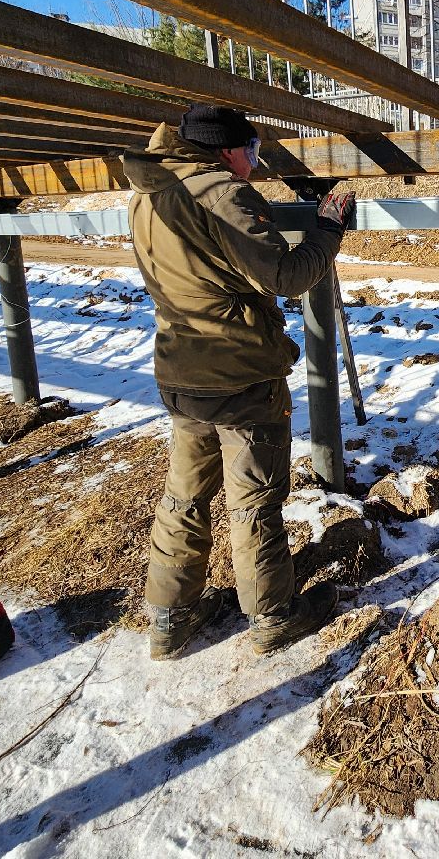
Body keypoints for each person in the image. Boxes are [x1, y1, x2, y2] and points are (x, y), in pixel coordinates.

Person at [123, 104, 356, 661]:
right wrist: (327, 228)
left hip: (183, 371)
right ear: (227, 151)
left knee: (184, 496)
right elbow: (286, 276)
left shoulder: (147, 193)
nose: (253, 163)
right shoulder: (223, 193)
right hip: (241, 379)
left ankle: (169, 619)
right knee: (254, 502)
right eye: (250, 152)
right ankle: (274, 616)